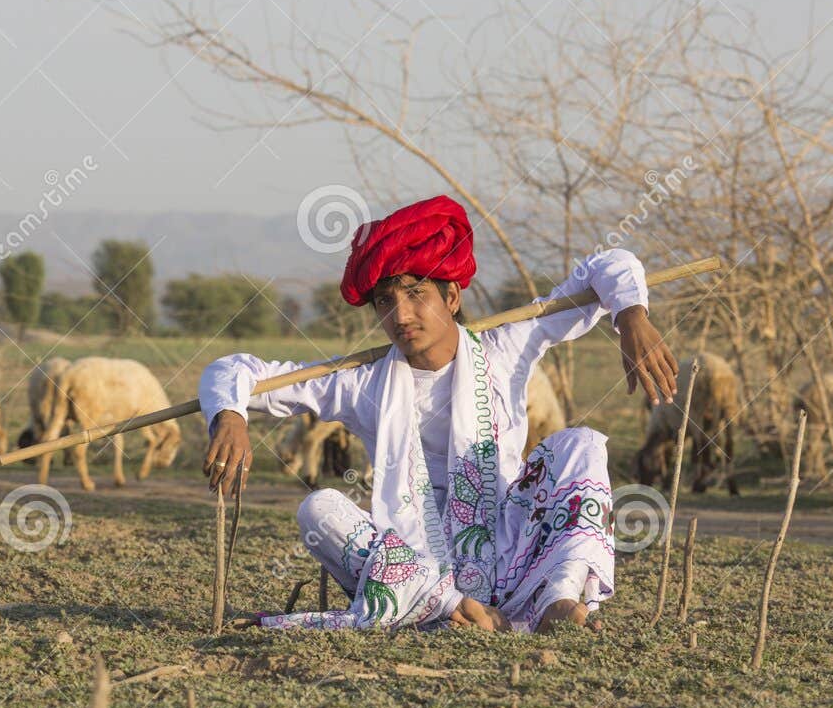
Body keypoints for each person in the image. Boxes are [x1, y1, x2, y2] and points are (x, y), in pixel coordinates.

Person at [197, 195, 678, 633]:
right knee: (317, 509)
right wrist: (230, 416)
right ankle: (449, 607)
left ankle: (557, 598)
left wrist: (631, 315)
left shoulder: (506, 346)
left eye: (415, 293)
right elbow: (235, 369)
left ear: (452, 298)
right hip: (418, 561)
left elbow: (607, 264)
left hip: (511, 546)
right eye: (385, 301)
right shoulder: (362, 384)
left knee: (582, 444)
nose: (400, 315)